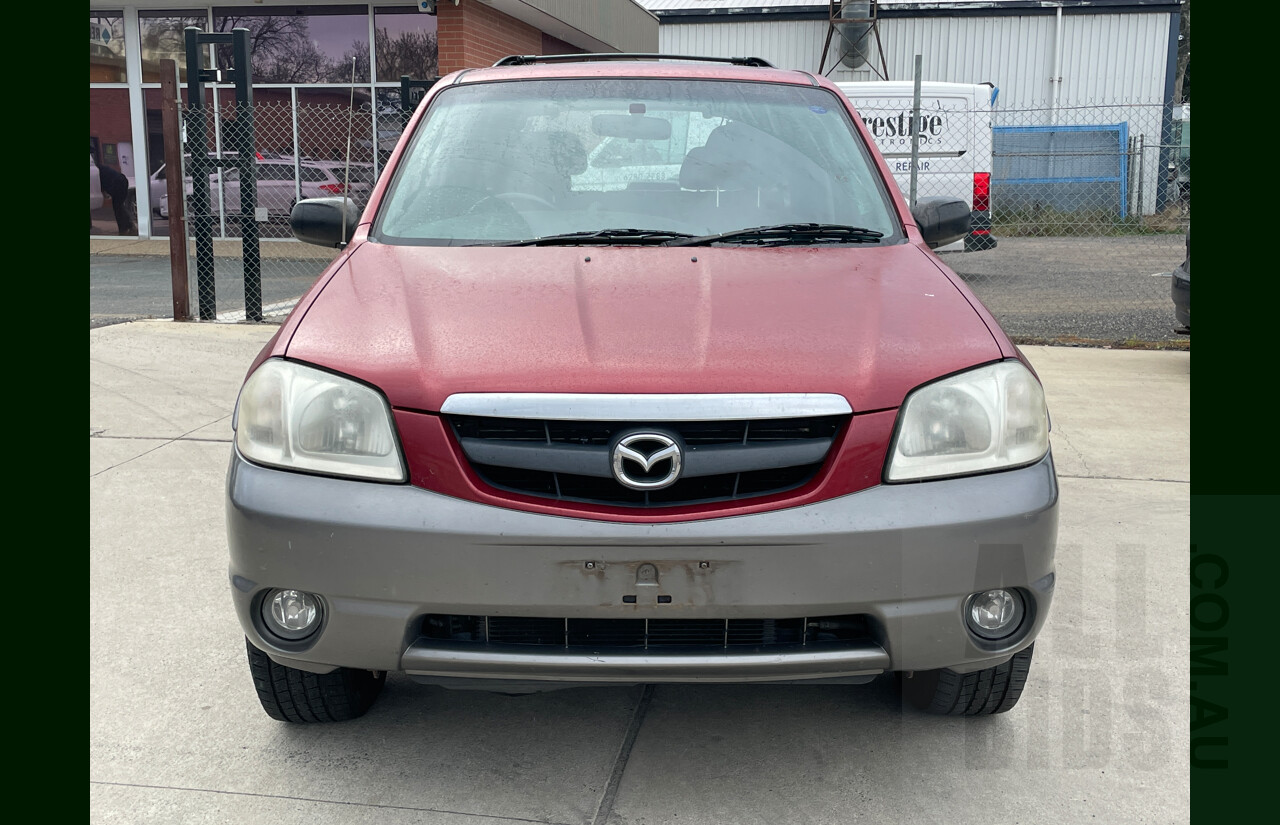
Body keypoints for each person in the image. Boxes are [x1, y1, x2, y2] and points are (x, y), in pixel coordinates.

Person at [96, 159, 136, 235]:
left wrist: (104, 192)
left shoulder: (97, 171)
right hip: (121, 181)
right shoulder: (100, 169)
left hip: (118, 183)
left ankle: (125, 229)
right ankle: (129, 227)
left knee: (118, 207)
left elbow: (100, 184)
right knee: (119, 207)